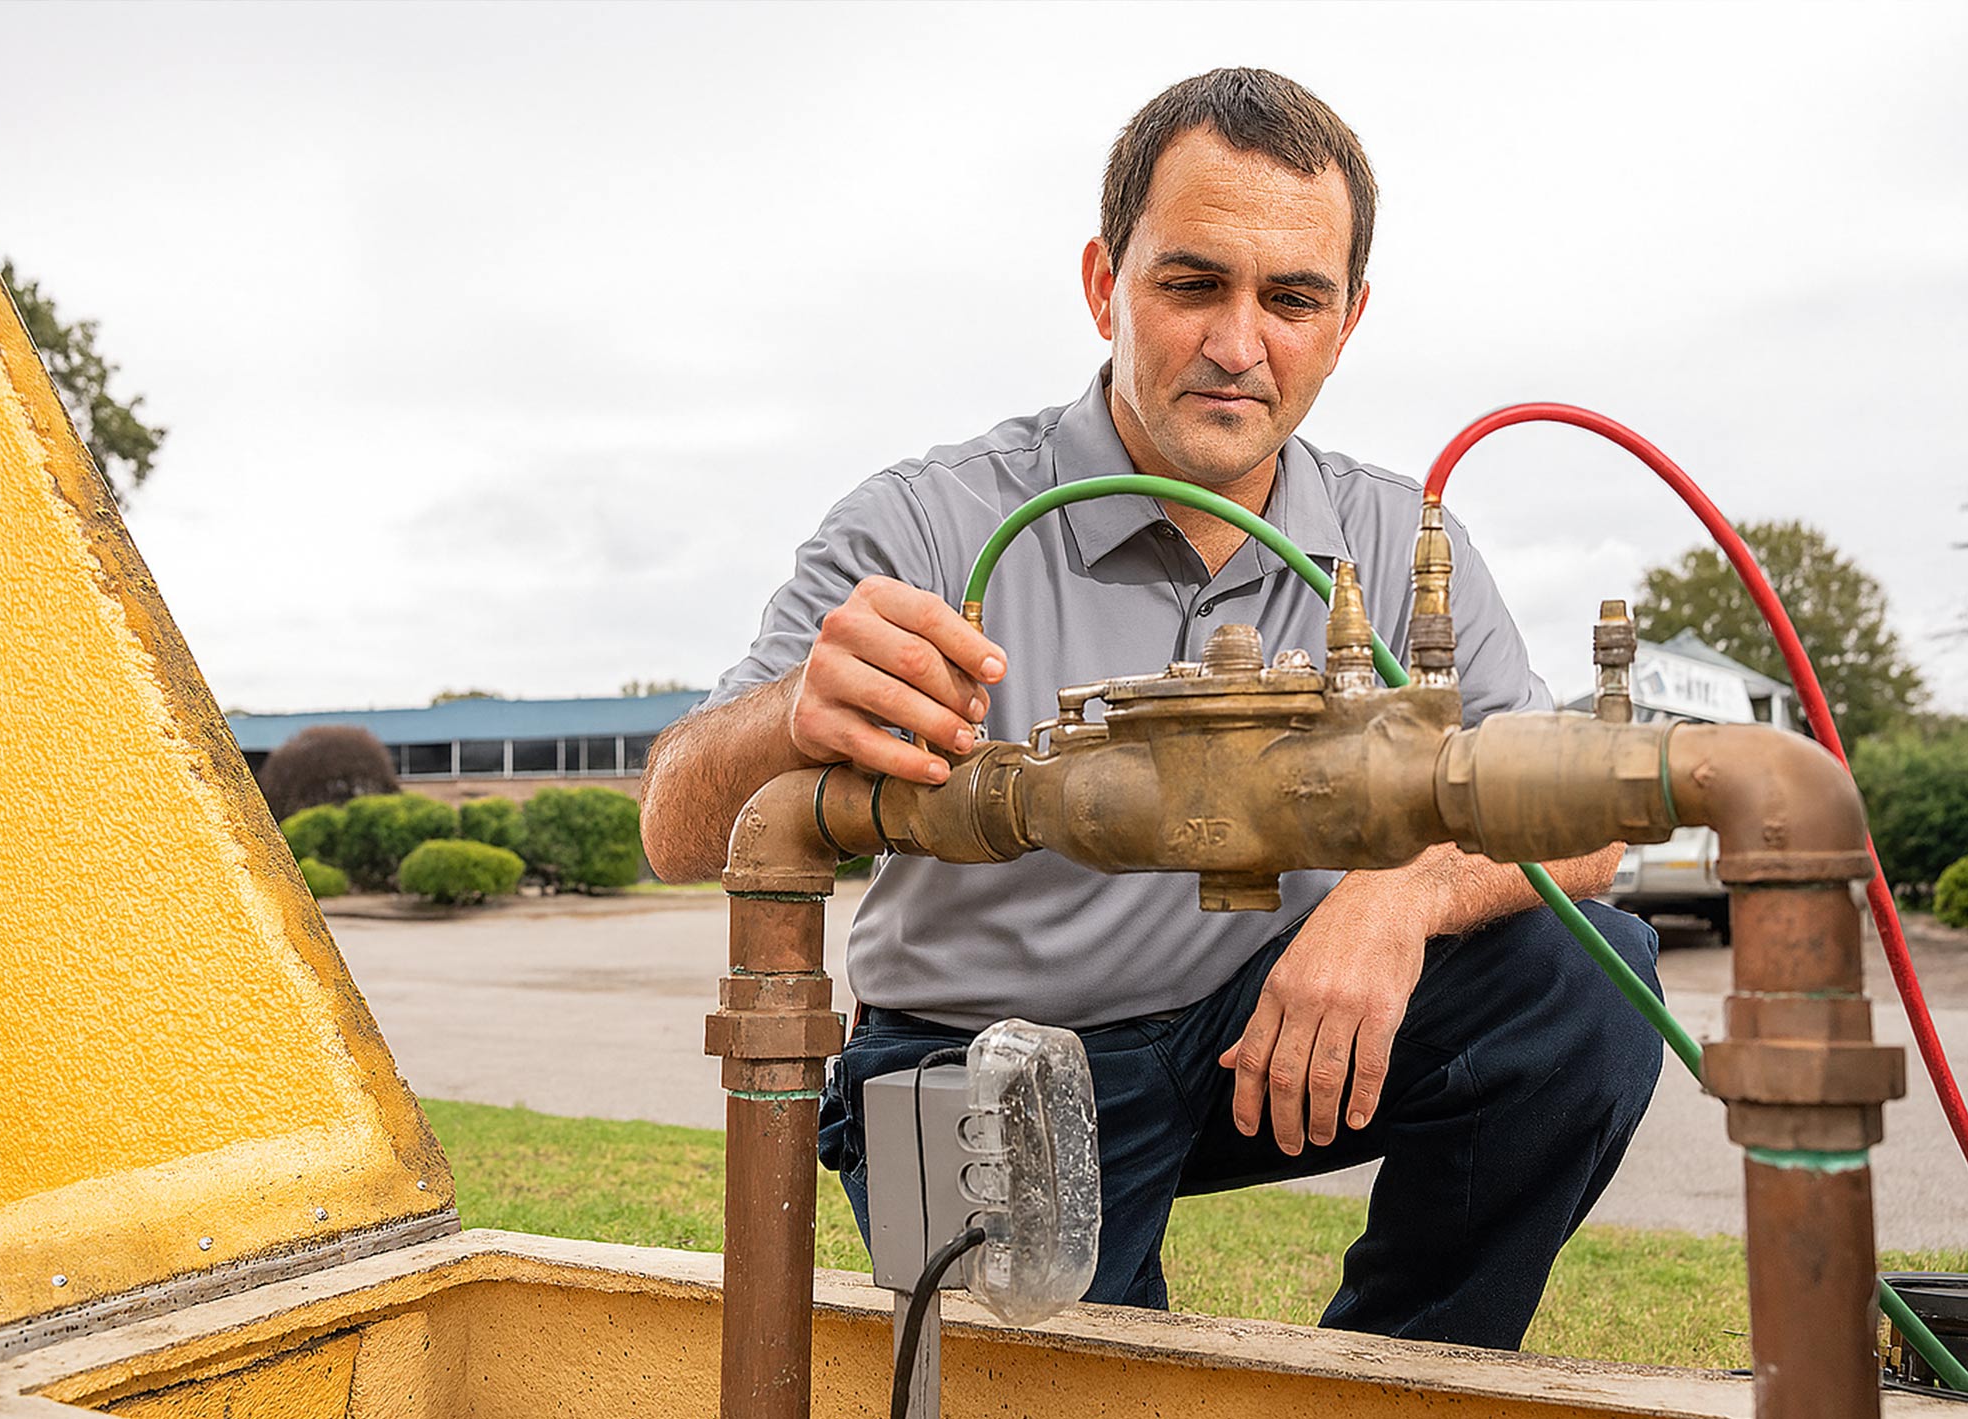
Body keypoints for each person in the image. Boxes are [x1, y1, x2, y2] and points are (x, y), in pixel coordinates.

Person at [639, 68, 1662, 1348]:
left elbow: (1586, 818)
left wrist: (1396, 897)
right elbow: (676, 829)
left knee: (1586, 973)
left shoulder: (1399, 541)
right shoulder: (927, 522)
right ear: (1101, 285)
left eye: (1292, 298)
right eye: (1192, 285)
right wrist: (794, 710)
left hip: (1263, 1033)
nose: (1240, 345)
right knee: (1058, 1381)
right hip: (979, 1057)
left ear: (1347, 319)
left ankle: (1401, 1372)